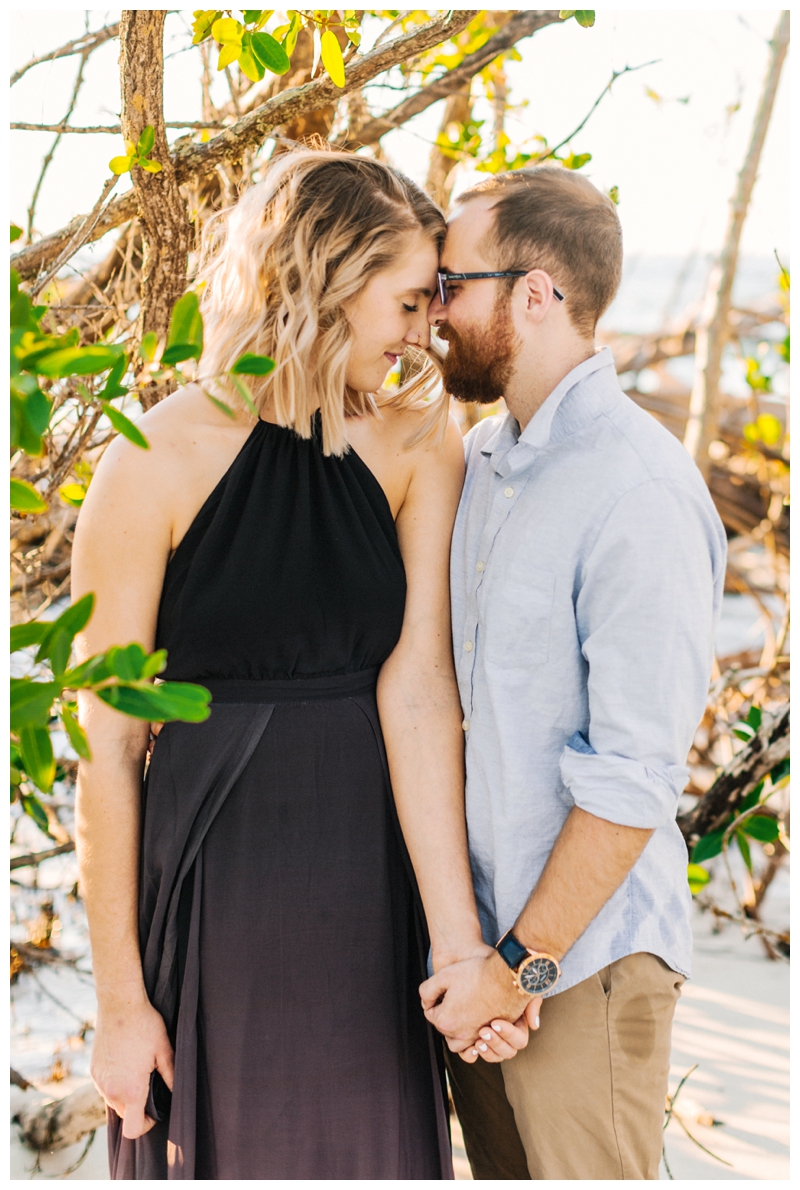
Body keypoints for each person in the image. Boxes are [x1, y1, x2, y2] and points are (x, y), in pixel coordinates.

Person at [71, 149, 528, 1181]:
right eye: (408, 300)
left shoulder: (420, 441)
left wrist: (456, 945)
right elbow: (102, 747)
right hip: (210, 888)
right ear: (327, 274)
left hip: (366, 890)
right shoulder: (152, 456)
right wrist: (118, 1002)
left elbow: (418, 693)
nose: (423, 331)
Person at [420, 165, 728, 1180]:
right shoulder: (483, 461)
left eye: (451, 284)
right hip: (481, 976)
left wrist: (521, 967)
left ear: (535, 292)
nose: (432, 310)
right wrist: (476, 965)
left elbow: (632, 773)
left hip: (580, 968)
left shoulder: (634, 487)